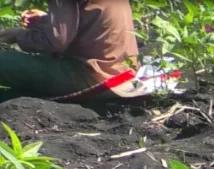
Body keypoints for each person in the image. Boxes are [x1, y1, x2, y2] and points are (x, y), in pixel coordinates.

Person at [0, 0, 139, 103]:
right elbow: (90, 21)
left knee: (4, 62)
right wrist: (47, 20)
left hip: (96, 78)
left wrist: (18, 35)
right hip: (125, 75)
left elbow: (55, 43)